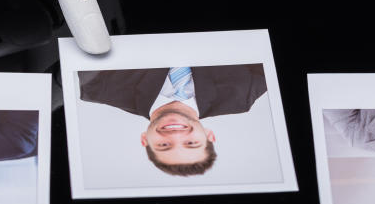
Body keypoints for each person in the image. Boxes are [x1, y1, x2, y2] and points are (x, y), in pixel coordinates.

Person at [78, 64, 268, 176]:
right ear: (209, 136)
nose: (176, 135)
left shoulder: (97, 88)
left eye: (164, 145)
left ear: (145, 139)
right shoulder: (243, 93)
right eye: (191, 143)